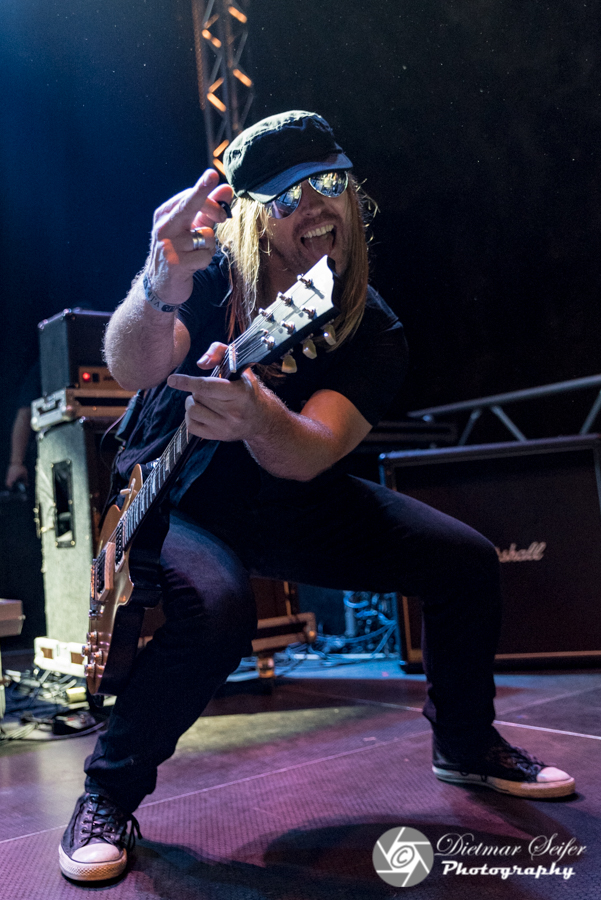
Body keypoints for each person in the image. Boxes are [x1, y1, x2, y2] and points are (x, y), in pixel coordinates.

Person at [59, 111, 575, 883]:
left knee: (464, 562)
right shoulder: (212, 276)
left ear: (352, 192)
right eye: (285, 196)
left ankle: (466, 746)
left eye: (327, 181)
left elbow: (310, 453)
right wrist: (158, 284)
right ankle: (105, 795)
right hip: (176, 500)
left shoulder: (372, 328)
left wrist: (255, 416)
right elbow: (132, 367)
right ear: (255, 219)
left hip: (286, 493)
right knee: (219, 611)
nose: (312, 206)